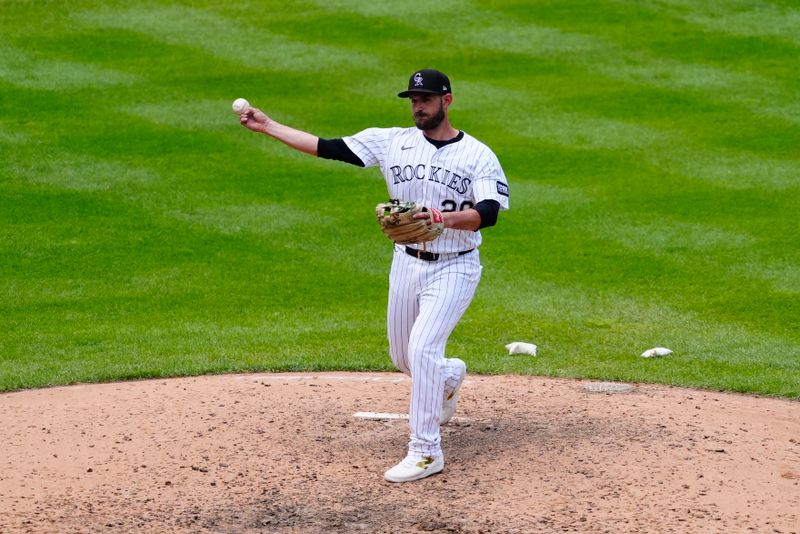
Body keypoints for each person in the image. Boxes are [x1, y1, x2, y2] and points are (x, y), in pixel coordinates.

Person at [238, 69, 510, 482]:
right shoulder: (392, 140)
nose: (418, 106)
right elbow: (328, 147)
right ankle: (449, 376)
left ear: (447, 101)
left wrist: (441, 219)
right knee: (404, 357)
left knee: (421, 351)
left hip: (455, 265)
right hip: (406, 262)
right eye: (413, 99)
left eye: (426, 98)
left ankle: (425, 452)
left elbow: (487, 214)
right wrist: (267, 125)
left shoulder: (477, 155)